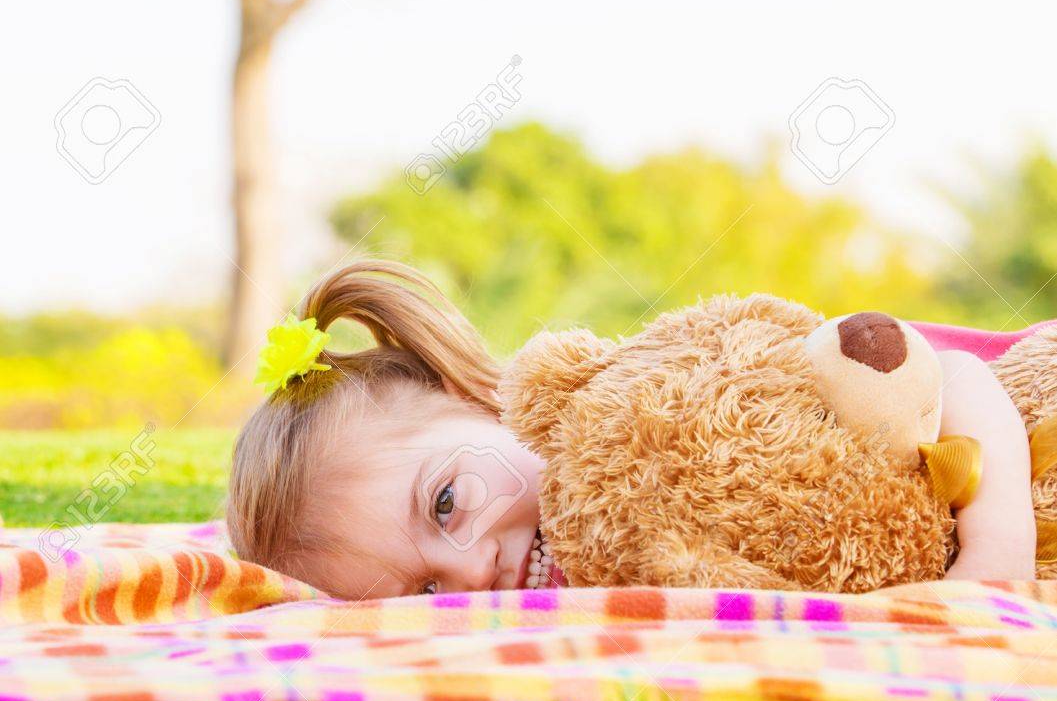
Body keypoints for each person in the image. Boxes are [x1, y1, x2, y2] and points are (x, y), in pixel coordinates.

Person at [228, 260, 1038, 598]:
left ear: (478, 400)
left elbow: (957, 378)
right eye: (424, 592)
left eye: (443, 503)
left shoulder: (666, 407)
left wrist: (995, 550)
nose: (472, 570)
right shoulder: (604, 570)